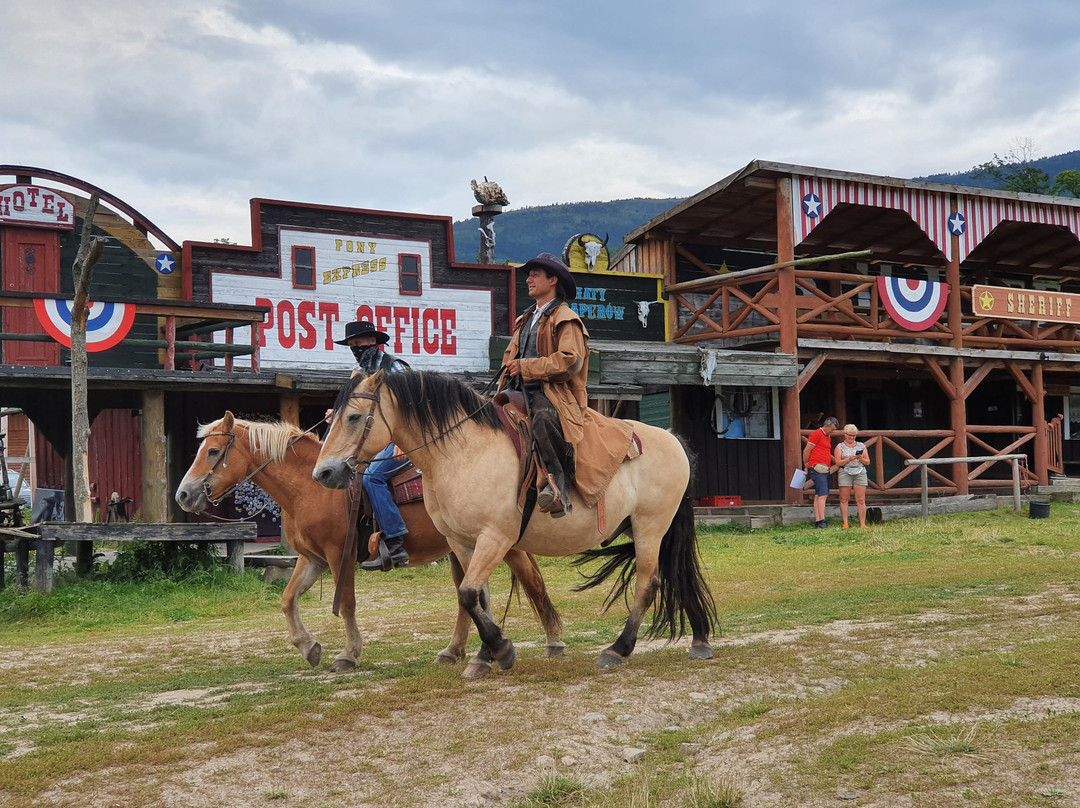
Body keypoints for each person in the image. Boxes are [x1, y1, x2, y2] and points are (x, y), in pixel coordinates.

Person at [500, 253, 632, 517]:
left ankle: (556, 485)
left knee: (543, 419)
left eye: (535, 275)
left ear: (552, 280)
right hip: (517, 390)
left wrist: (526, 367)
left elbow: (569, 361)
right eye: (529, 275)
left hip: (555, 395)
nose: (529, 279)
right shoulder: (525, 320)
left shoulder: (566, 318)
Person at [331, 320, 413, 570]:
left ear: (374, 343)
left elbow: (414, 404)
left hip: (402, 438)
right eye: (352, 345)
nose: (355, 348)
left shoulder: (394, 366)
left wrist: (405, 442)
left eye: (359, 343)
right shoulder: (357, 374)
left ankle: (396, 542)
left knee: (372, 478)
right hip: (373, 438)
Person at [802, 415, 838, 528]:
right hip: (817, 466)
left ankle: (819, 521)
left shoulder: (828, 437)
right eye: (832, 429)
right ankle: (822, 521)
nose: (832, 432)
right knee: (823, 494)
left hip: (824, 467)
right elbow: (807, 450)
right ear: (826, 426)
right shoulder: (816, 434)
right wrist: (806, 463)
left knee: (819, 494)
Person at [834, 423, 871, 529]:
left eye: (854, 435)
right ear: (845, 434)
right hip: (845, 471)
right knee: (844, 498)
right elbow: (838, 463)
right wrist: (849, 459)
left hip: (859, 472)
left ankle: (862, 523)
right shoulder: (840, 446)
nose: (852, 437)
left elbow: (868, 462)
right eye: (850, 435)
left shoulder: (861, 446)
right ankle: (845, 523)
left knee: (861, 499)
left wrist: (860, 458)